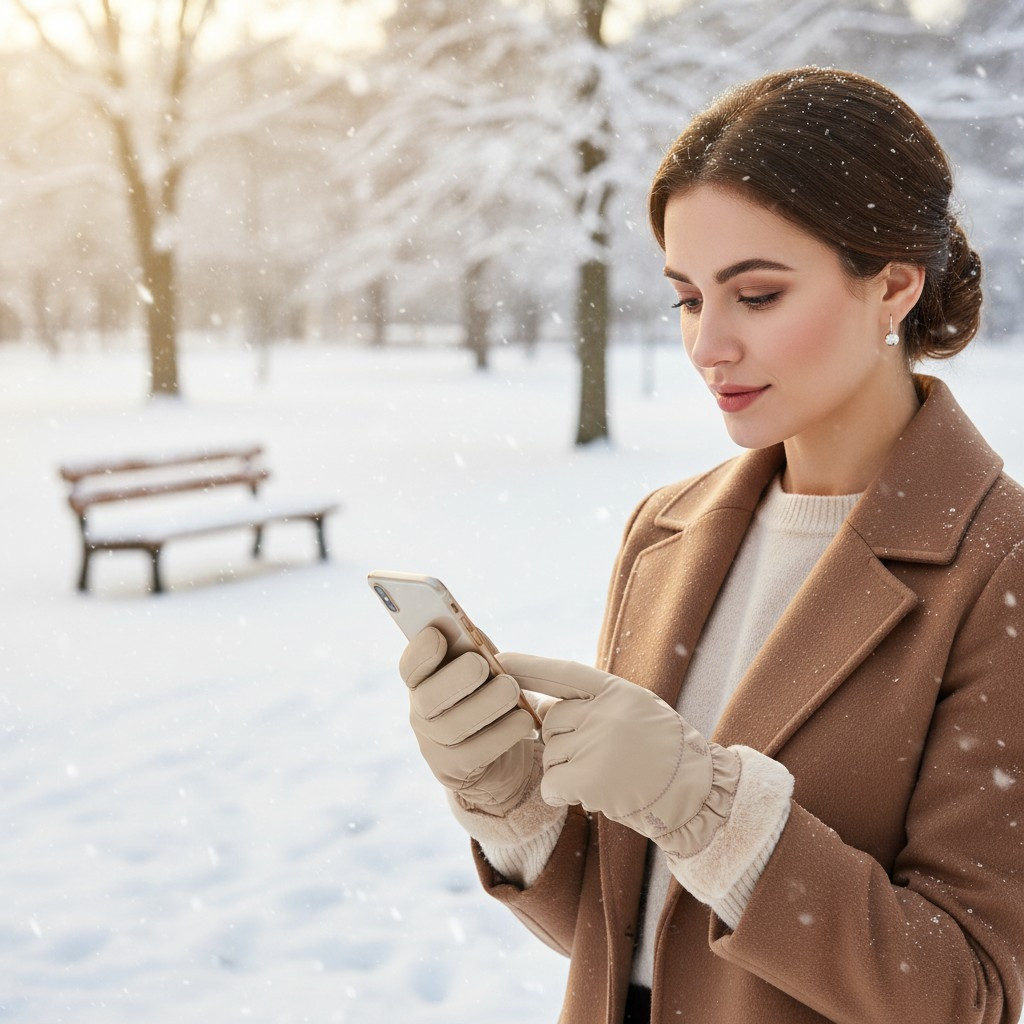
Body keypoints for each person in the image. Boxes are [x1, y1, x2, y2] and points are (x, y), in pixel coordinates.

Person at [396, 67, 1024, 1023]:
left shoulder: (999, 566)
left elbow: (963, 993)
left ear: (895, 284)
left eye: (757, 295)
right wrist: (513, 801)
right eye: (688, 298)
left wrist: (703, 805)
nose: (707, 345)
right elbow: (632, 933)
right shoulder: (666, 531)